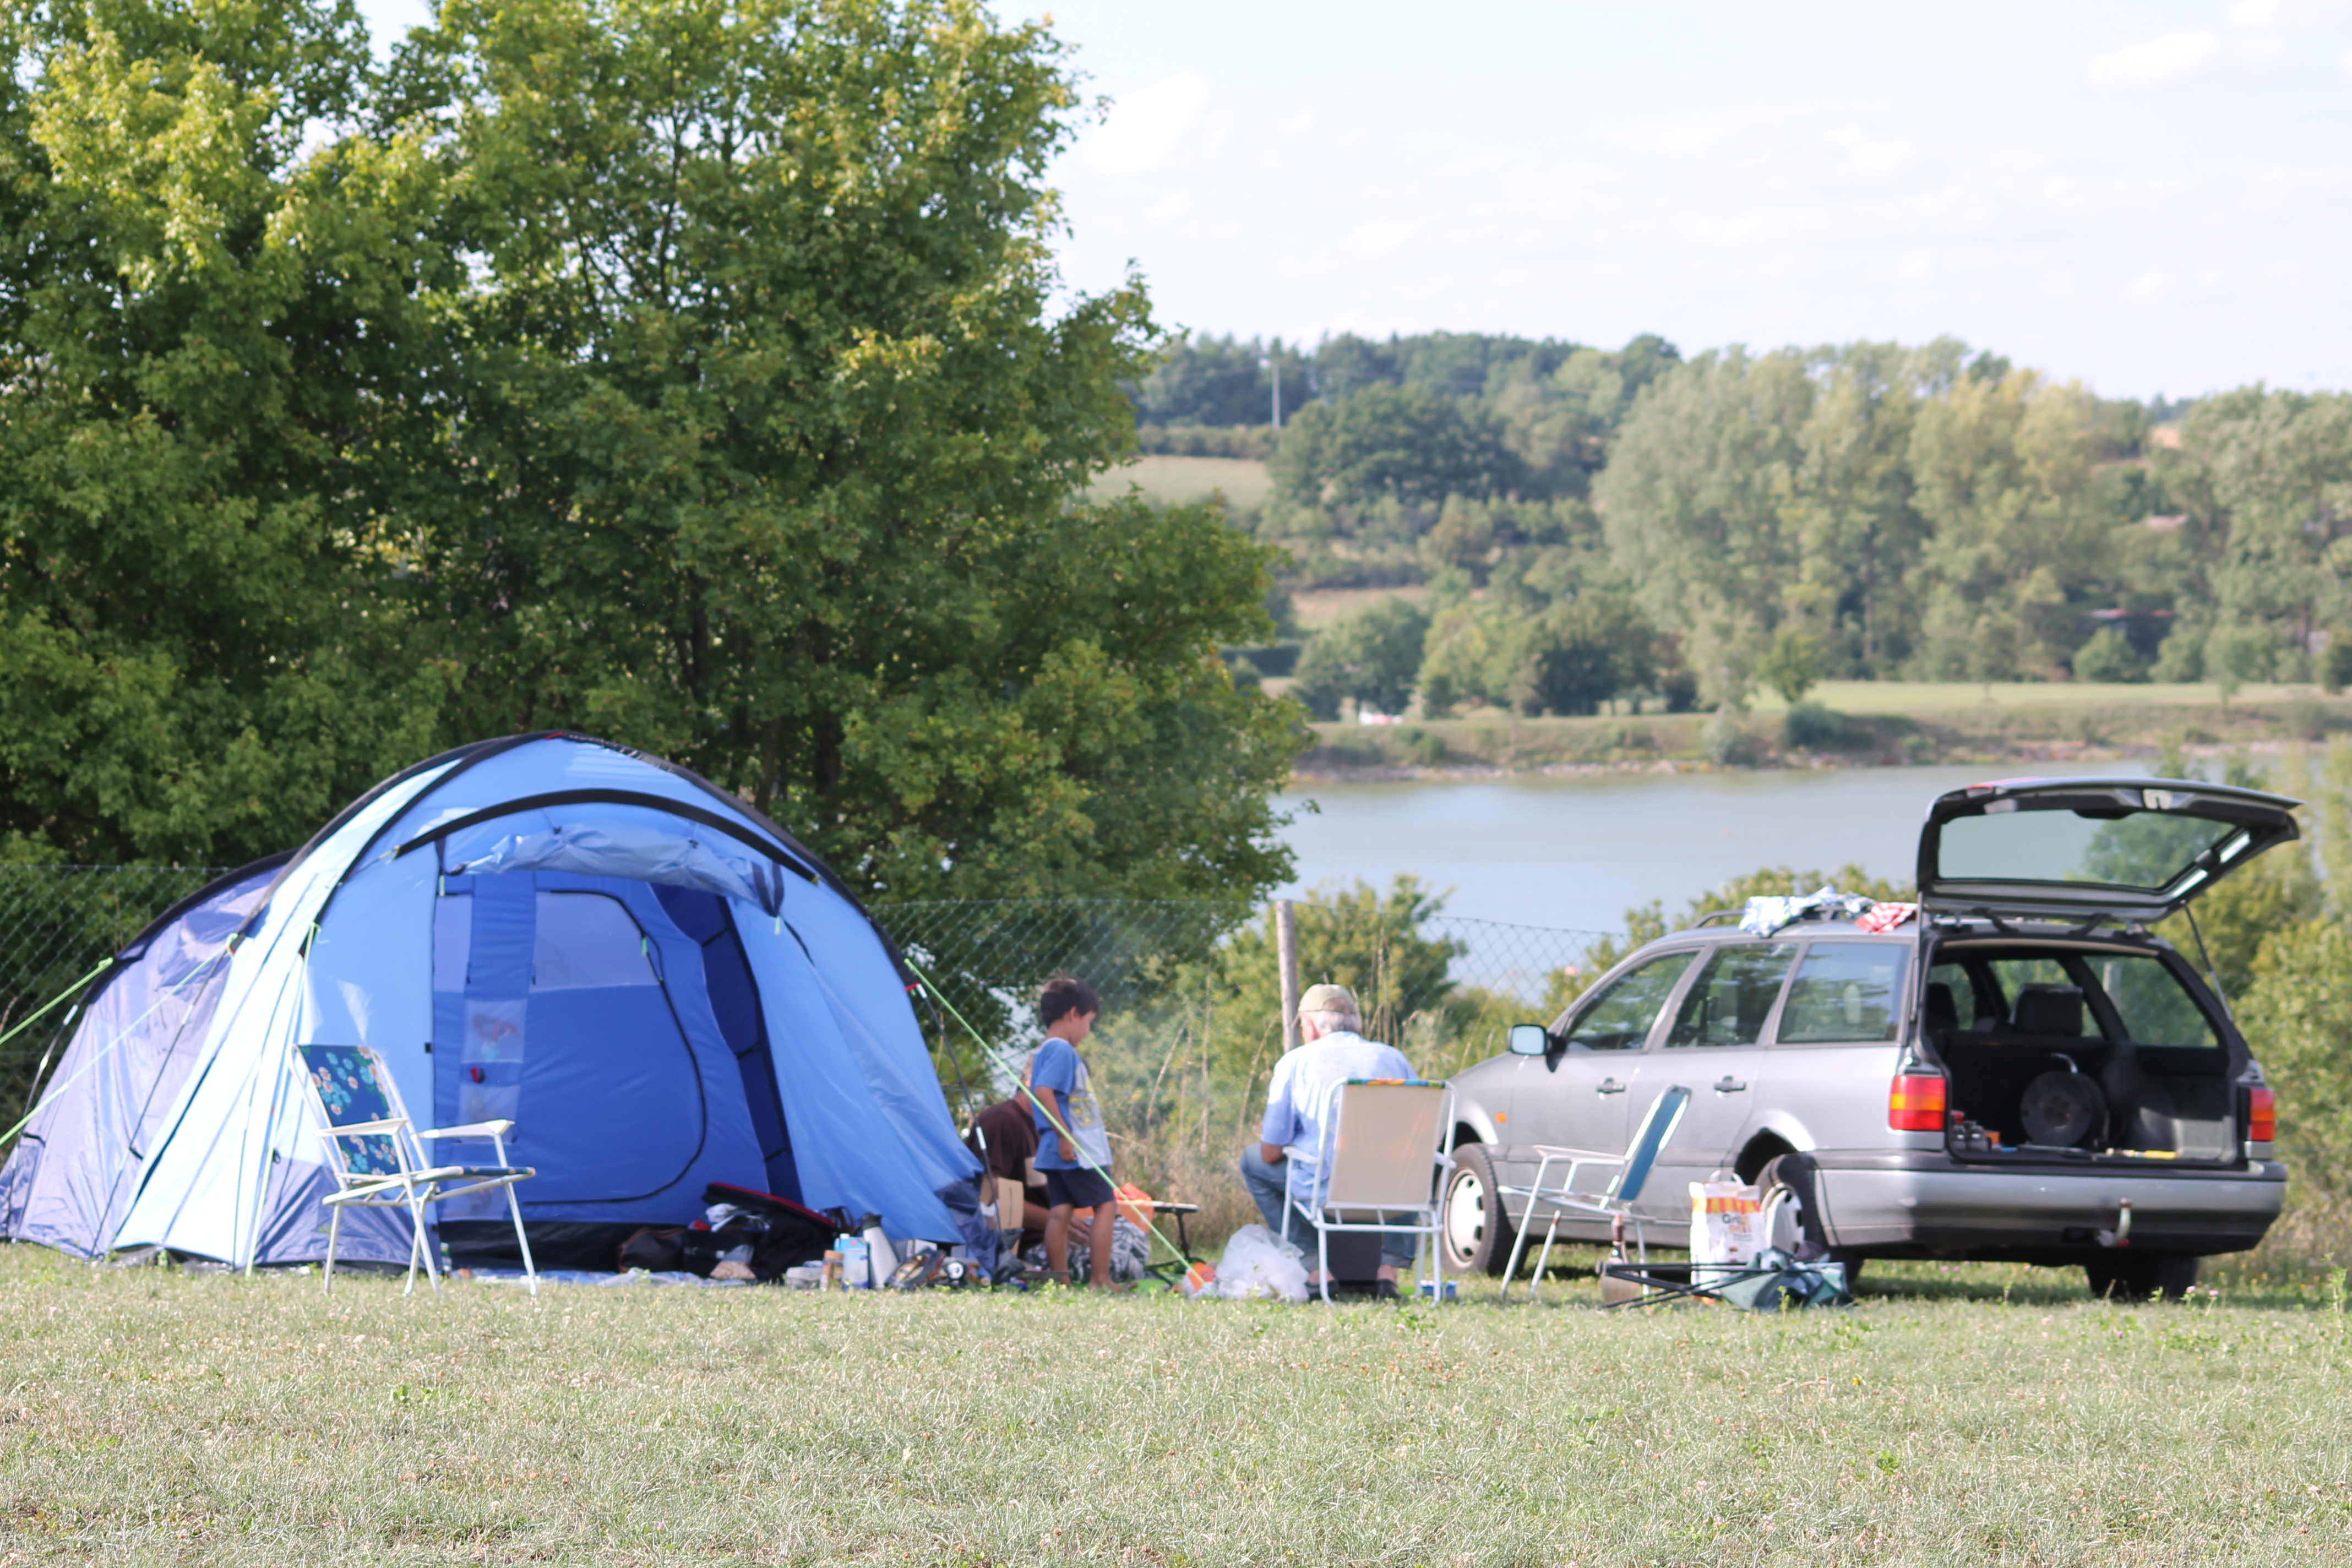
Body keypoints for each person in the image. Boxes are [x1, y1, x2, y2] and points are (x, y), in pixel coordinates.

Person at [1243, 982, 1419, 1298]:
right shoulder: (1394, 1060)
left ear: (1310, 1025)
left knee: (1253, 1161)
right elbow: (1419, 1135)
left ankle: (1316, 1270)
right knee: (1405, 1166)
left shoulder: (1296, 1063)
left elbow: (1270, 1153)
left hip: (1326, 1189)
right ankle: (1388, 1271)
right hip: (1395, 1191)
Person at [1028, 974, 1122, 1289]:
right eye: (1089, 1021)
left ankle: (1062, 1283)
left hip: (1057, 1148)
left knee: (1060, 1212)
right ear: (1073, 1014)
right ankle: (1101, 1279)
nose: (1088, 1030)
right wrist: (1066, 1136)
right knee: (1106, 1205)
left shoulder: (1045, 1051)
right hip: (1075, 1149)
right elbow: (1043, 1091)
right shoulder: (1063, 1051)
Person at [964, 1053, 1049, 1258]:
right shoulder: (1002, 1121)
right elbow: (989, 1196)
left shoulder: (1046, 1127)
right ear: (1031, 1081)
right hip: (1022, 1247)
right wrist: (1057, 1221)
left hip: (1052, 1233)